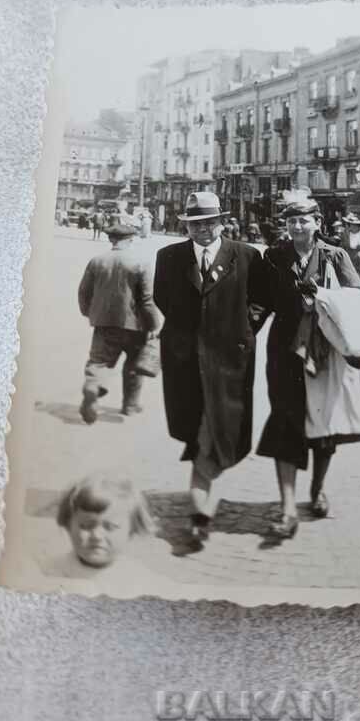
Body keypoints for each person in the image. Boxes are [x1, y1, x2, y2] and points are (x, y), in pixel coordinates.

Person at [256, 197, 360, 539]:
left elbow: (357, 298)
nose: (298, 227)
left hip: (325, 352)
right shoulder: (273, 257)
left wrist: (325, 296)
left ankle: (317, 489)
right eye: (292, 221)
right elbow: (260, 302)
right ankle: (286, 509)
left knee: (324, 425)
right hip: (284, 351)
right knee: (285, 422)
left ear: (317, 223)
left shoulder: (335, 255)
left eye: (304, 221)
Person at [153, 191, 266, 546]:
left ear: (222, 222)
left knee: (219, 428)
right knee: (200, 427)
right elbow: (162, 298)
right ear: (186, 226)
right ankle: (200, 507)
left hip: (230, 360)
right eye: (195, 225)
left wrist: (245, 329)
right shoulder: (169, 257)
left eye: (209, 223)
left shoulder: (246, 256)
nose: (202, 230)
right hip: (186, 361)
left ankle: (200, 506)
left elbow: (262, 298)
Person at [78, 221, 159, 423]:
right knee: (133, 365)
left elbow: (84, 292)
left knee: (98, 361)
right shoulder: (141, 262)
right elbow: (147, 299)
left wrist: (89, 313)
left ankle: (93, 386)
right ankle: (130, 406)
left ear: (111, 239)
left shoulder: (97, 261)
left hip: (104, 323)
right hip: (135, 325)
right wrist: (154, 325)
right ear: (131, 240)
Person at [57, 474, 157, 568]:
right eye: (86, 526)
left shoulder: (140, 581)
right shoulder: (48, 575)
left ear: (132, 531)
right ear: (68, 526)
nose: (96, 535)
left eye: (111, 527)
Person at [341, 212, 360, 280]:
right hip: (349, 261)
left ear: (359, 226)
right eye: (351, 225)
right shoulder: (345, 235)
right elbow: (342, 248)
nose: (353, 226)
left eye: (355, 225)